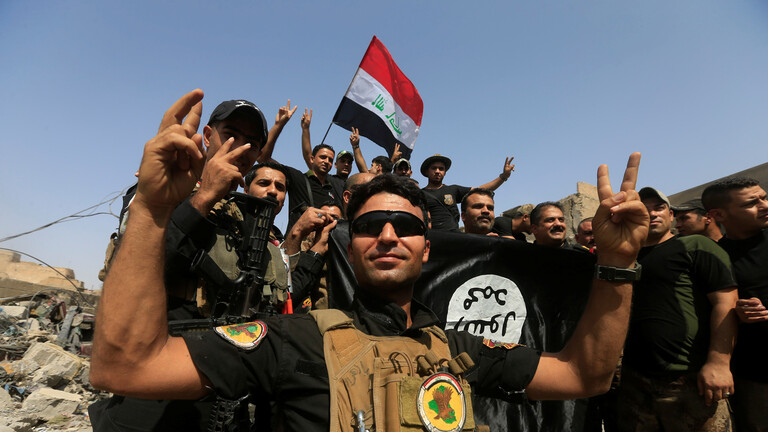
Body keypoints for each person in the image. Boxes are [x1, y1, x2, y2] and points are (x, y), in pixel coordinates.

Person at [91, 90, 649, 432]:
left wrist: (619, 263)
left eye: (405, 226)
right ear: (349, 244)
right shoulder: (294, 342)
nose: (386, 235)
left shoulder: (462, 351)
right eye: (367, 226)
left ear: (427, 248)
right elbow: (125, 367)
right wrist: (154, 209)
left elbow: (586, 374)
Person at [616, 186, 738, 432]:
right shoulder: (623, 259)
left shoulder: (695, 245)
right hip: (634, 381)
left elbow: (726, 303)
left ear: (671, 215)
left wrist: (718, 363)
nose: (652, 214)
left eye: (659, 208)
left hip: (690, 380)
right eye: (644, 209)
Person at [702, 177, 768, 431]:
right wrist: (735, 311)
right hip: (753, 376)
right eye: (752, 203)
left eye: (763, 197)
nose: (764, 205)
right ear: (718, 215)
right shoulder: (715, 257)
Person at [421, 154, 515, 231]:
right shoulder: (419, 194)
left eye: (441, 169)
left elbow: (480, 190)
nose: (437, 171)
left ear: (445, 172)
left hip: (454, 236)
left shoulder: (453, 189)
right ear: (427, 171)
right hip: (432, 237)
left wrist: (503, 177)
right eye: (434, 168)